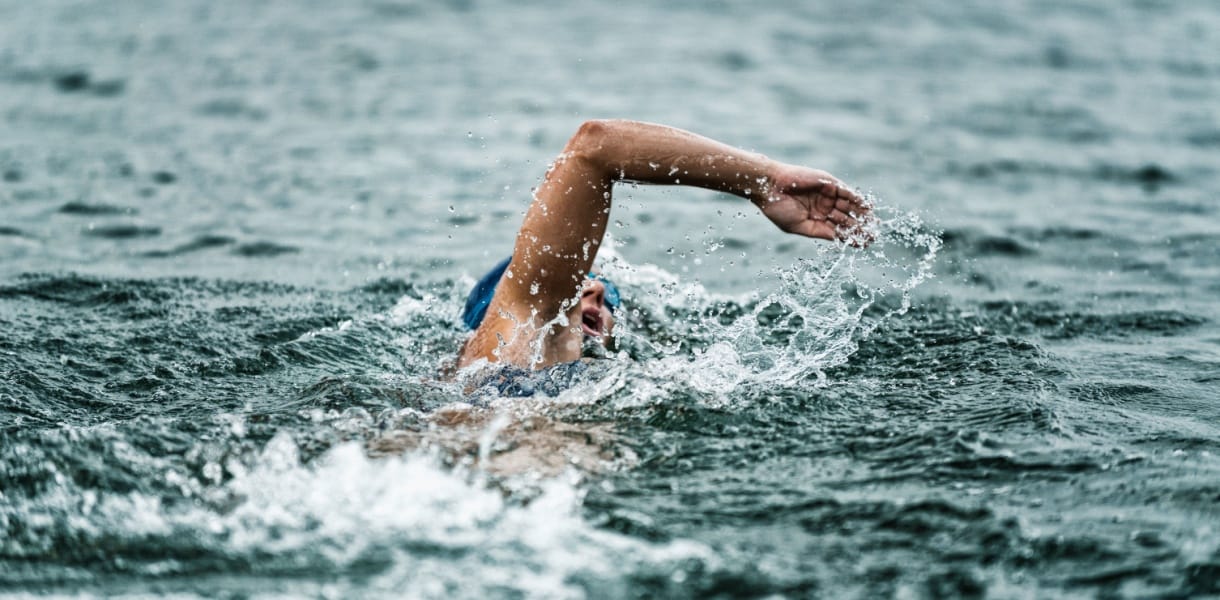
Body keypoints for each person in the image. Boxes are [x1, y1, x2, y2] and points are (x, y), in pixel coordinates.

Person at [457, 119, 870, 373]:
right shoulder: (512, 336)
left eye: (608, 299)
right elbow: (595, 146)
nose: (595, 290)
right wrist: (764, 181)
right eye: (574, 285)